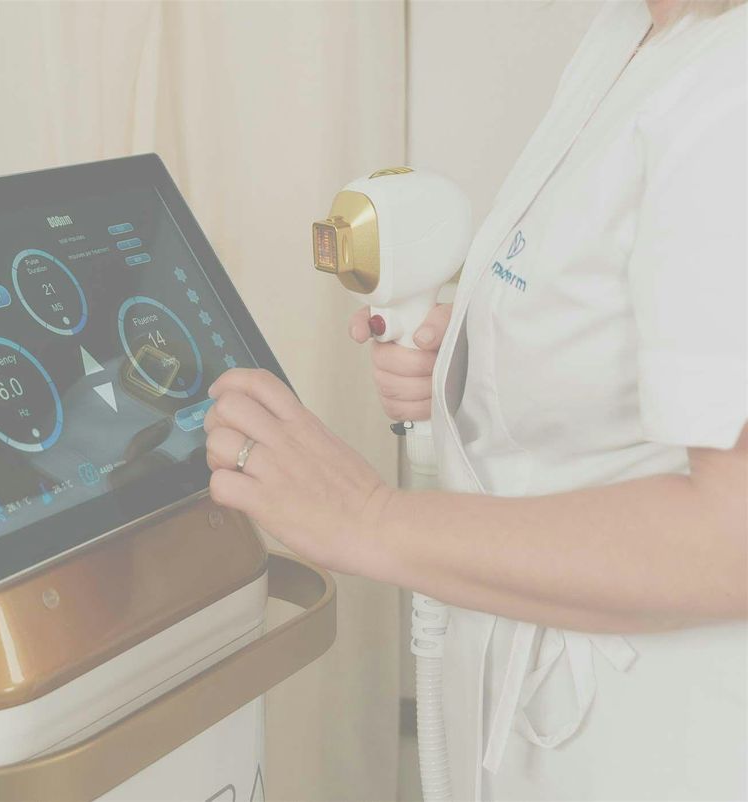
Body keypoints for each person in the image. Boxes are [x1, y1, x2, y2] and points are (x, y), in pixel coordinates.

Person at [202, 0, 747, 798]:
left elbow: (731, 541)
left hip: (661, 744)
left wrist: (366, 518)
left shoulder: (728, 90)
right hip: (531, 724)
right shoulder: (629, 33)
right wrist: (490, 355)